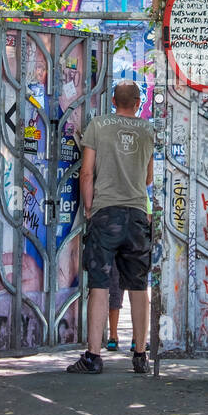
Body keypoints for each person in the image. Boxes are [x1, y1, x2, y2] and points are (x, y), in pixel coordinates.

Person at [68, 80, 154, 374]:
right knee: (139, 287)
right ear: (138, 102)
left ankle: (93, 357)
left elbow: (87, 172)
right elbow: (148, 179)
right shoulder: (147, 131)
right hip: (138, 214)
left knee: (100, 285)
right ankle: (141, 355)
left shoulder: (99, 125)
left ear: (114, 100)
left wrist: (90, 209)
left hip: (106, 213)